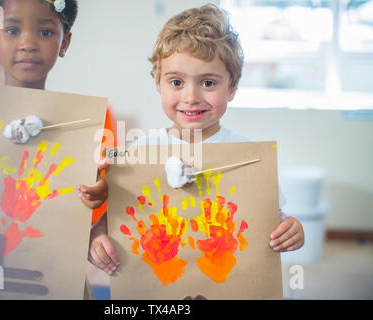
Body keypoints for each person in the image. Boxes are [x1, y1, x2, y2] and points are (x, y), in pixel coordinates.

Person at [89, 4, 305, 279]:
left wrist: (291, 228)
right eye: (177, 82)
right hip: (158, 282)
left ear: (233, 87)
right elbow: (116, 217)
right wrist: (97, 237)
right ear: (159, 83)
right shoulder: (139, 153)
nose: (191, 96)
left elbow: (272, 217)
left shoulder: (248, 156)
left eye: (208, 83)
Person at [0, 0, 108, 299]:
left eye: (46, 32)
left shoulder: (82, 126)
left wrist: (102, 193)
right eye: (12, 30)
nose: (27, 44)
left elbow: (90, 202)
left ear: (65, 42)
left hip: (57, 278)